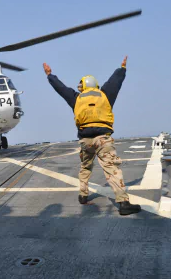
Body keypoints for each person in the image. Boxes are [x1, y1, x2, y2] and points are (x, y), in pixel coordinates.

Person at [43, 56, 141, 216]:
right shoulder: (105, 95)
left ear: (83, 86)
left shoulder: (76, 98)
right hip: (103, 139)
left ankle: (83, 195)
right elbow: (115, 81)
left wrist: (50, 75)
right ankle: (123, 203)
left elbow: (61, 89)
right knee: (112, 170)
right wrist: (122, 68)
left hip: (85, 140)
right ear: (95, 85)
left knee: (85, 167)